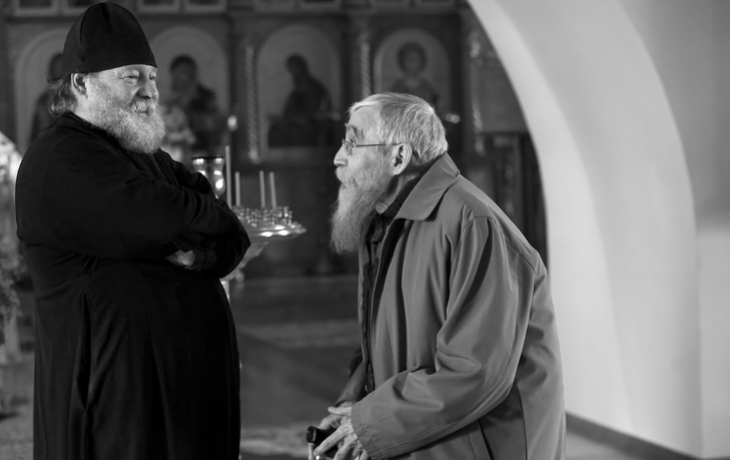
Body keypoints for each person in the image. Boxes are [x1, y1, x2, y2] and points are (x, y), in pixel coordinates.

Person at [14, 4, 249, 460]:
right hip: (113, 401)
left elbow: (231, 232)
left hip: (175, 397)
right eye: (131, 77)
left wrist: (202, 254)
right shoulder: (60, 157)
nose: (150, 91)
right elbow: (163, 217)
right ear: (81, 83)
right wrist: (205, 220)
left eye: (152, 77)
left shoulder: (145, 155)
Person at [310, 93, 565, 460]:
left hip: (483, 445)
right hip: (430, 436)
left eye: (352, 142)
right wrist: (356, 398)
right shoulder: (385, 219)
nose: (338, 157)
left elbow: (476, 372)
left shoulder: (474, 225)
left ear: (398, 157)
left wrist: (370, 424)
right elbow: (389, 336)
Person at [166, 54, 226, 157]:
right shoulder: (171, 105)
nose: (183, 79)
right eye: (179, 75)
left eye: (186, 73)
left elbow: (216, 125)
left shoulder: (208, 101)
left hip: (204, 153)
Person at [268, 54, 333, 147]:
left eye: (293, 69)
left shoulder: (313, 87)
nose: (292, 74)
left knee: (279, 134)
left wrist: (296, 118)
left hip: (309, 127)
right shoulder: (297, 90)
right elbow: (290, 109)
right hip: (298, 123)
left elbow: (315, 112)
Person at [390, 43, 440, 111]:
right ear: (402, 61)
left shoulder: (429, 90)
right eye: (409, 59)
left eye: (416, 59)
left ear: (422, 61)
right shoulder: (395, 89)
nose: (412, 62)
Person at [29, 53, 64, 143]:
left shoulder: (77, 98)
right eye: (57, 67)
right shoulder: (43, 101)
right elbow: (41, 129)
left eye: (62, 67)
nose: (60, 71)